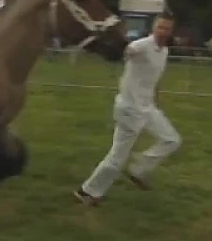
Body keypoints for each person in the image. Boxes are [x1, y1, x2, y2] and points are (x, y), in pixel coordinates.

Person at [74, 14, 182, 205]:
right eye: (160, 27)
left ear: (171, 31)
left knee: (172, 140)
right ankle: (87, 192)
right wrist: (97, 47)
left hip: (148, 107)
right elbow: (126, 52)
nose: (163, 31)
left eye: (167, 28)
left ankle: (138, 170)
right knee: (117, 157)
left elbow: (154, 79)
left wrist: (157, 99)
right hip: (129, 109)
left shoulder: (163, 51)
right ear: (153, 28)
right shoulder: (141, 46)